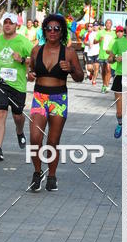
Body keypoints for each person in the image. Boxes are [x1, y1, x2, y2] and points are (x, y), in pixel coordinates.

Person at [26, 13, 84, 192]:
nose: (52, 31)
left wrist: (72, 68)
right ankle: (37, 173)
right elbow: (32, 70)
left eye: (56, 29)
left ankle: (52, 175)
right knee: (35, 138)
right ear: (44, 30)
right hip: (39, 97)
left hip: (59, 99)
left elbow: (80, 77)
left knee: (52, 141)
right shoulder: (37, 50)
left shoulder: (69, 52)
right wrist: (30, 74)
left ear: (62, 32)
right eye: (49, 28)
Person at [0, 12, 33, 160]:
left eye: (11, 23)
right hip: (0, 82)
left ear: (16, 25)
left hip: (18, 85)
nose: (7, 25)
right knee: (0, 113)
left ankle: (19, 131)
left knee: (17, 115)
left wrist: (21, 60)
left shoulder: (23, 42)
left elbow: (35, 58)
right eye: (5, 22)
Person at [96, 18, 116, 93]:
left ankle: (107, 86)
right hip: (102, 54)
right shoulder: (100, 32)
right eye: (107, 23)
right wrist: (99, 40)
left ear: (111, 25)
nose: (108, 24)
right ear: (105, 24)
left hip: (110, 55)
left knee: (108, 69)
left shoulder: (114, 33)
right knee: (103, 71)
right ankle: (104, 85)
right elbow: (95, 41)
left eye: (109, 23)